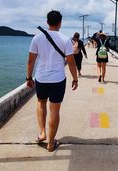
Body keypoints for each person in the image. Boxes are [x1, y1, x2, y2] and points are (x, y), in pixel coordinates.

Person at [26, 10, 78, 152]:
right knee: (54, 109)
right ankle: (50, 143)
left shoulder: (37, 38)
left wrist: (29, 78)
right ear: (60, 23)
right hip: (58, 80)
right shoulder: (65, 39)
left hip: (41, 78)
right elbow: (71, 62)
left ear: (47, 22)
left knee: (41, 102)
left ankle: (42, 132)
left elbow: (31, 60)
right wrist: (75, 79)